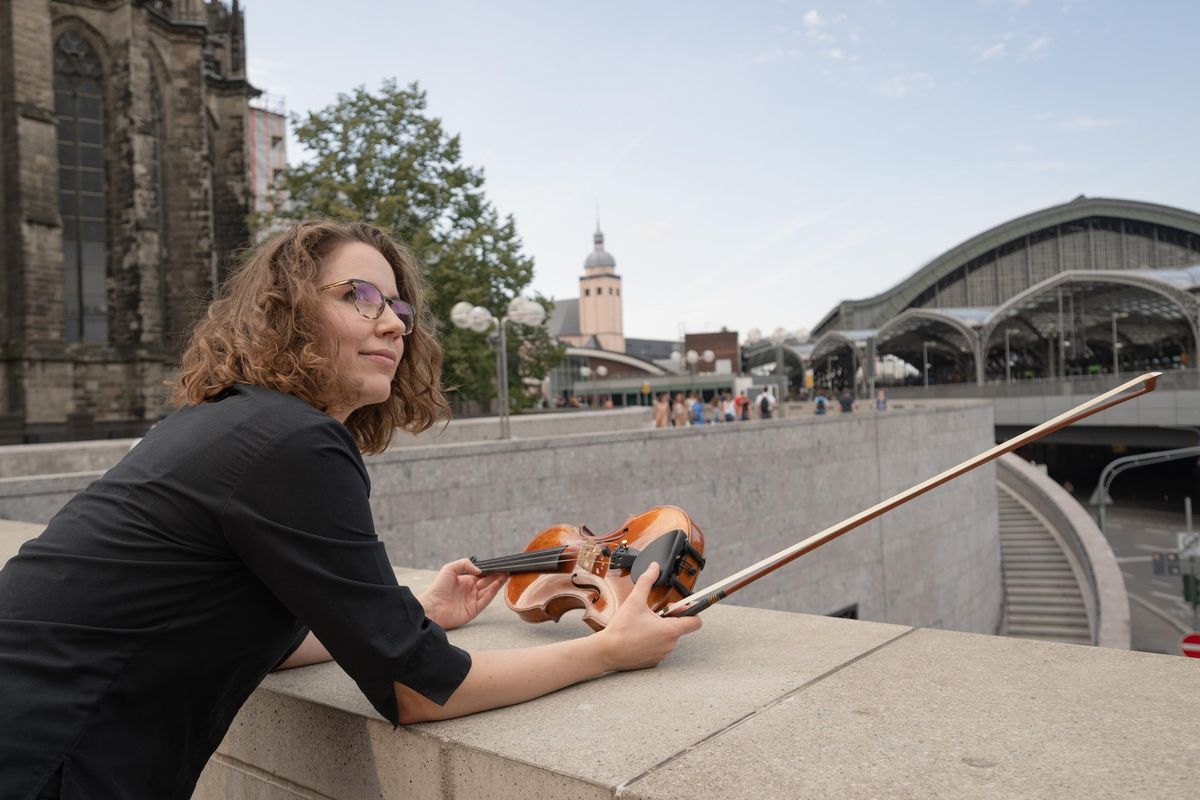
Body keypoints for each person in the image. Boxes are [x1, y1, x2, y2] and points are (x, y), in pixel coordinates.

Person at [0, 221, 701, 799]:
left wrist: (416, 614)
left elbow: (261, 647)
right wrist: (607, 651)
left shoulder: (228, 423)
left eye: (398, 308)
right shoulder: (294, 442)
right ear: (288, 312)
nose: (391, 324)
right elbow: (420, 691)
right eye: (359, 295)